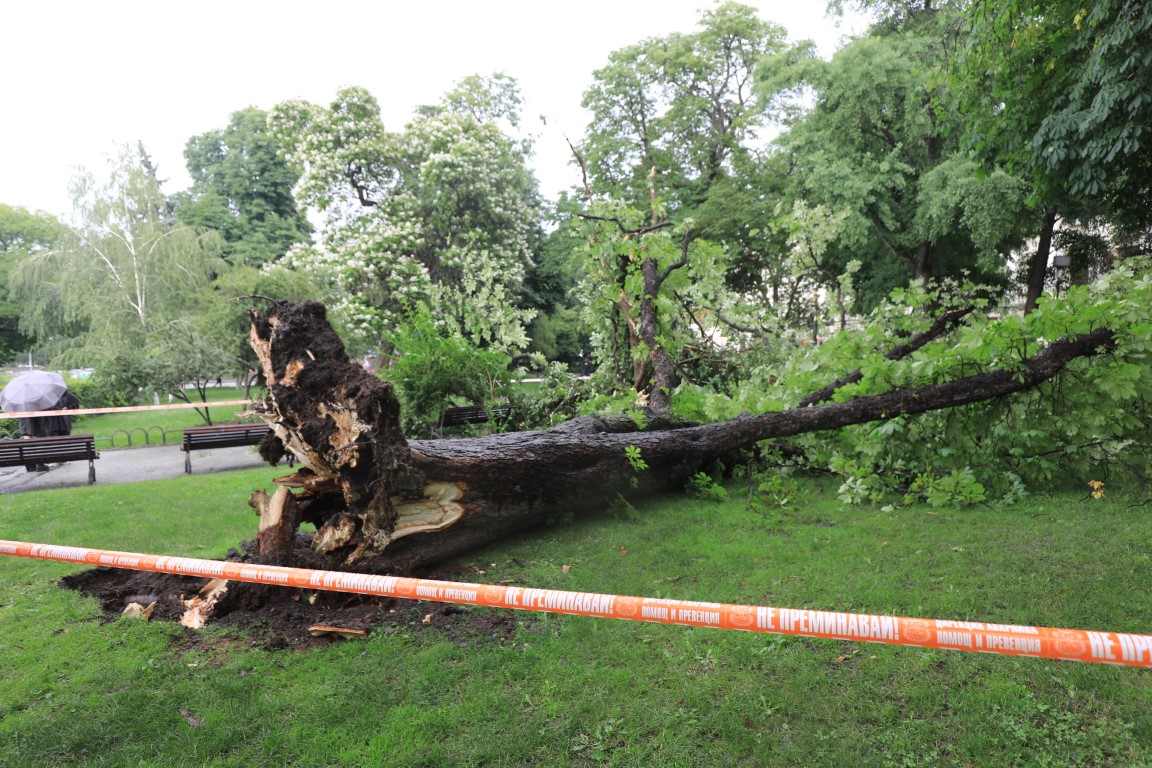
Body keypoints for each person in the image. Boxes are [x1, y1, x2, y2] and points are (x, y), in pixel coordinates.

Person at [18, 388, 79, 472]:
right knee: (49, 440)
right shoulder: (41, 396)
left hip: (58, 424)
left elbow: (74, 404)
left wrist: (65, 408)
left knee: (31, 441)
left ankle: (37, 464)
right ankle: (41, 463)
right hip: (52, 424)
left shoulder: (29, 398)